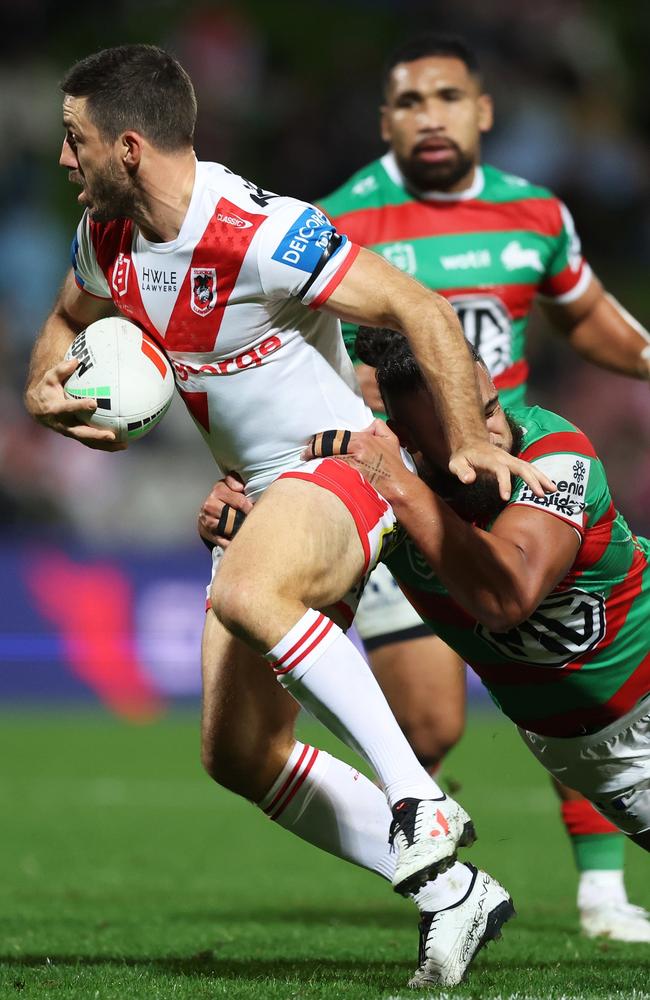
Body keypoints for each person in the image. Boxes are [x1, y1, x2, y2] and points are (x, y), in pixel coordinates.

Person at [24, 44, 552, 985]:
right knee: (239, 754)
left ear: (130, 146)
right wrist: (40, 394)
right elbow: (66, 320)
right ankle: (452, 894)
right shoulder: (102, 237)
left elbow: (421, 309)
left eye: (76, 141)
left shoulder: (260, 230)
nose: (64, 161)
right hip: (262, 497)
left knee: (250, 594)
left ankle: (420, 801)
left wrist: (467, 443)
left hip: (345, 469)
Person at [317, 33, 650, 941]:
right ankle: (412, 809)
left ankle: (600, 891)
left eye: (447, 98)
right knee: (431, 720)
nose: (430, 116)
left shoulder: (535, 213)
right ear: (386, 120)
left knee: (552, 633)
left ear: (482, 111)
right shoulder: (338, 221)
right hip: (399, 480)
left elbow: (585, 317)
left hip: (511, 469)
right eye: (410, 102)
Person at [202, 328, 650, 984]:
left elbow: (507, 594)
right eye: (463, 421)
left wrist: (404, 491)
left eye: (490, 407)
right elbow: (294, 592)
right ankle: (451, 887)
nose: (490, 431)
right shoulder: (381, 480)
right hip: (599, 753)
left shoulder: (555, 453)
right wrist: (245, 530)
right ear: (411, 441)